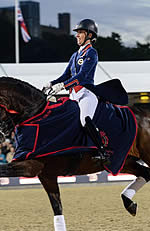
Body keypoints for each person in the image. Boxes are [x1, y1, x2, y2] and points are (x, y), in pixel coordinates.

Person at [43, 19, 109, 163]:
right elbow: (65, 75)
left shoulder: (92, 52)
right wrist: (52, 83)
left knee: (84, 120)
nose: (77, 35)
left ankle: (102, 151)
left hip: (86, 93)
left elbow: (82, 76)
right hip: (73, 94)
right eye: (77, 33)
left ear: (89, 35)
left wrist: (62, 86)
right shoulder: (74, 55)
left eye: (80, 32)